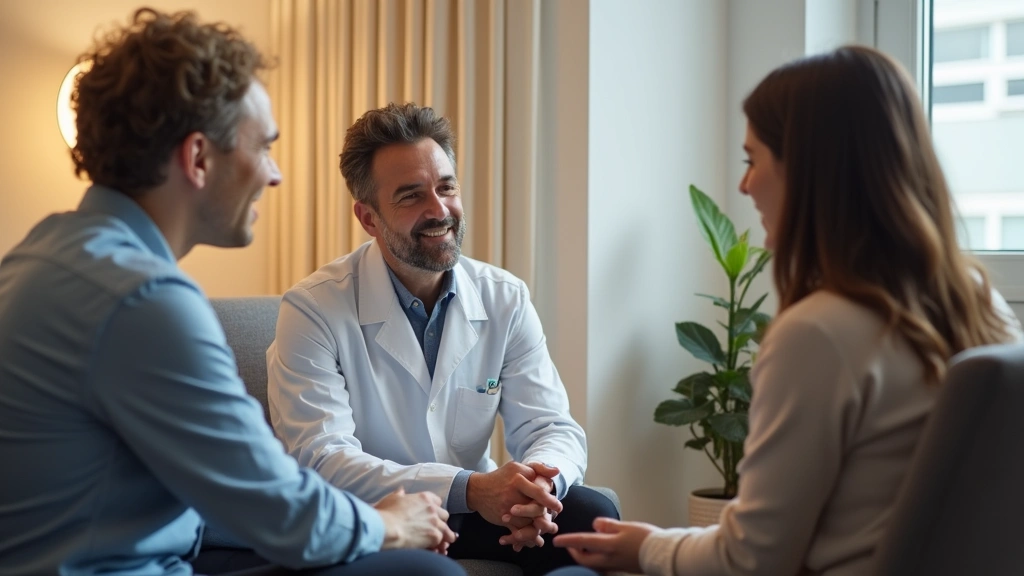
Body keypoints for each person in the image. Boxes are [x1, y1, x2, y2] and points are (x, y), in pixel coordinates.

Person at [0, 9, 463, 576]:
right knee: (425, 572)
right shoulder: (144, 302)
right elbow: (276, 507)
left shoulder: (39, 255)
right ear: (198, 158)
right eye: (263, 146)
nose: (275, 175)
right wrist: (391, 523)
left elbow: (225, 491)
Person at [550, 45, 1024, 576]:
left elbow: (750, 561)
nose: (744, 185)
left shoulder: (819, 333)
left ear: (810, 170)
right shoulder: (982, 307)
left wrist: (648, 548)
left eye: (753, 160)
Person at [266, 102, 619, 575]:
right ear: (369, 218)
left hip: (477, 512)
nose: (439, 210)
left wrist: (539, 488)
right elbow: (324, 459)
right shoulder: (312, 309)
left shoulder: (504, 297)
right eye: (411, 196)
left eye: (446, 187)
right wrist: (472, 488)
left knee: (593, 521)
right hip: (377, 519)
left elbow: (551, 427)